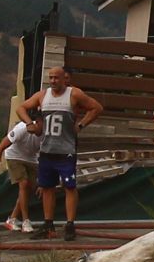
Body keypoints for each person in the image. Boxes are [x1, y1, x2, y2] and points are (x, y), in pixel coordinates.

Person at [15, 65, 103, 241]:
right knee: (47, 187)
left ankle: (70, 224)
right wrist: (29, 123)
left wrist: (81, 125)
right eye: (51, 78)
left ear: (65, 78)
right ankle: (49, 225)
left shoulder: (73, 94)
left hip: (66, 151)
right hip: (47, 150)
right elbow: (21, 108)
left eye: (57, 78)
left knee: (69, 186)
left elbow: (96, 108)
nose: (53, 81)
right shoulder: (42, 95)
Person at [0, 118, 41, 233]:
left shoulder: (47, 134)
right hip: (14, 156)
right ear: (38, 122)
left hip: (32, 158)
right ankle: (26, 220)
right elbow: (1, 146)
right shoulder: (22, 128)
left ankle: (12, 218)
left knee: (30, 188)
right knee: (24, 183)